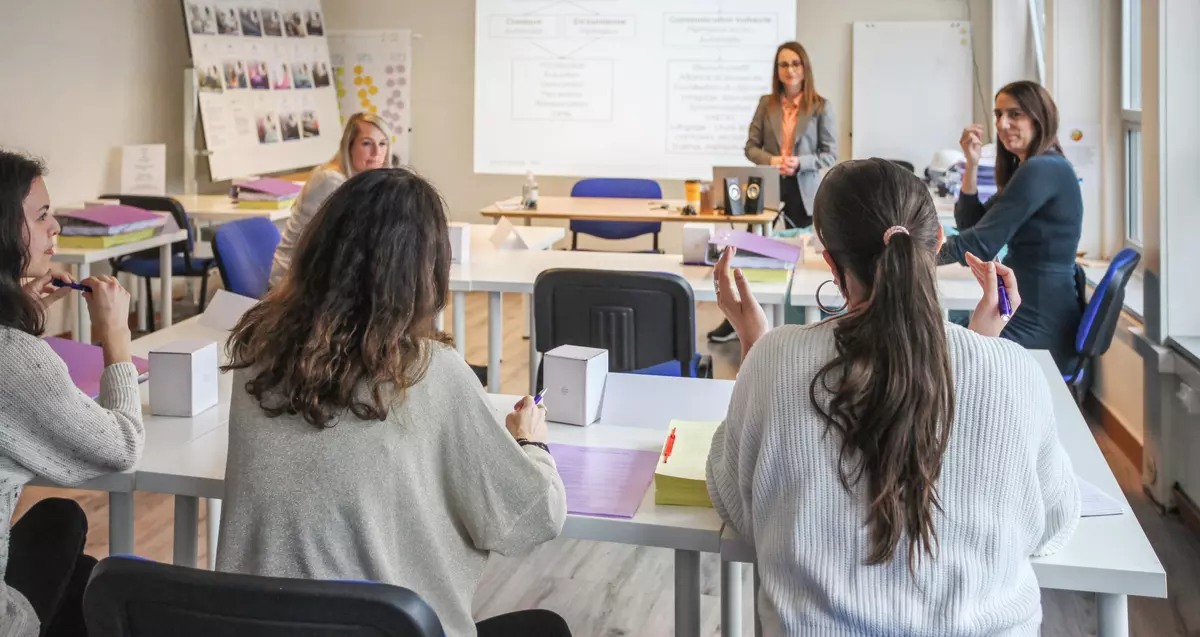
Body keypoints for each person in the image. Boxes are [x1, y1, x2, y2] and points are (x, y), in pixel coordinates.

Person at [707, 158, 1080, 636]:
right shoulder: (1014, 370)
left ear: (830, 262)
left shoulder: (774, 360)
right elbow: (1053, 521)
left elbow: (736, 504)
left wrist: (755, 346)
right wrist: (984, 351)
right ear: (939, 245)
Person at [217, 168, 571, 637]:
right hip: (385, 628)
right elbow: (532, 517)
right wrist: (531, 445)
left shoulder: (254, 353)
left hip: (258, 628)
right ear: (424, 270)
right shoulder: (428, 371)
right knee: (545, 628)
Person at [0, 150, 145, 637]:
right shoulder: (13, 357)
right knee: (76, 548)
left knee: (81, 571)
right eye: (41, 216)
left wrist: (20, 310)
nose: (55, 227)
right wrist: (116, 337)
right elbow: (121, 446)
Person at [938, 80, 1084, 374]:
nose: (1003, 124)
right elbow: (973, 225)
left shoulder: (1042, 169)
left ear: (1039, 117)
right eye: (998, 114)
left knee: (939, 351)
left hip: (1038, 323)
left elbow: (980, 243)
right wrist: (972, 164)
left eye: (1015, 114)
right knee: (944, 341)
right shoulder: (1037, 166)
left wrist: (915, 256)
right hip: (1026, 308)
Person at [709, 41, 837, 343]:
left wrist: (800, 162)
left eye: (795, 63)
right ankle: (740, 318)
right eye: (783, 64)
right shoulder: (766, 104)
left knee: (801, 254)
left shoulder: (820, 106)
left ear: (804, 68)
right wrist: (772, 160)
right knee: (754, 250)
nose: (789, 69)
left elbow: (830, 154)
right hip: (767, 186)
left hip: (803, 188)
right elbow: (750, 147)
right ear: (777, 71)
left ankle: (797, 322)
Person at [268, 112, 393, 287]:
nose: (376, 153)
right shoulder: (331, 180)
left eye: (382, 144)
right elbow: (351, 243)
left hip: (323, 274)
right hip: (291, 284)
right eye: (367, 143)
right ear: (349, 146)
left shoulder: (365, 180)